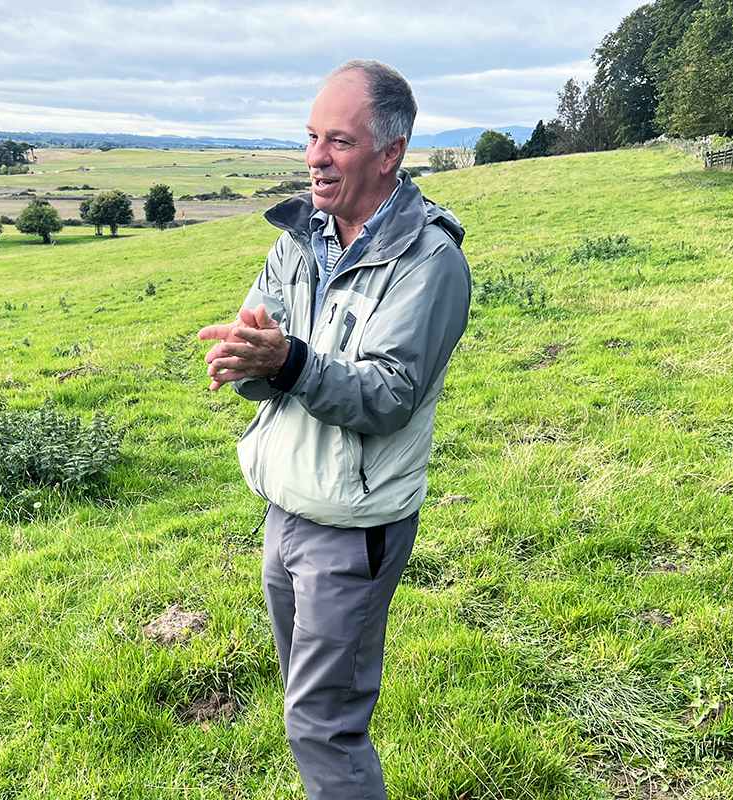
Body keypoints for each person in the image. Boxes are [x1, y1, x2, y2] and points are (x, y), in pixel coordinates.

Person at [197, 60, 471, 800]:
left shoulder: (428, 261)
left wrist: (284, 362)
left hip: (350, 525)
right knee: (306, 704)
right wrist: (246, 361)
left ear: (389, 153)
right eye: (312, 136)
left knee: (323, 724)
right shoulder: (296, 239)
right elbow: (264, 356)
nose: (315, 156)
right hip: (284, 505)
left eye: (339, 141)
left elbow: (388, 396)